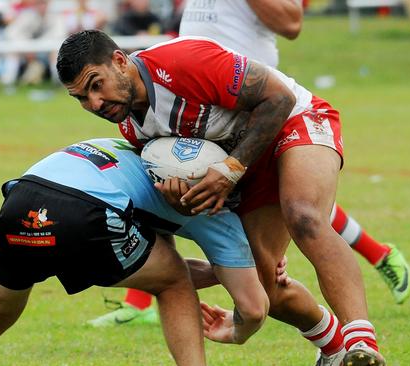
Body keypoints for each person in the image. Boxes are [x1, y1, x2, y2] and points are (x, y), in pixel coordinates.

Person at [57, 30, 387, 365]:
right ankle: (335, 349)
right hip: (246, 166)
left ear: (119, 61)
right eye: (81, 98)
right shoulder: (133, 128)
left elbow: (279, 99)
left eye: (96, 84)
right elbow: (200, 178)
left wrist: (231, 168)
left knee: (303, 215)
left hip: (294, 120)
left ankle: (362, 341)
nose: (94, 103)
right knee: (265, 285)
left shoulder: (181, 62)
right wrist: (181, 198)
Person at [96, 0, 410, 328]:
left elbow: (292, 23)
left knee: (303, 208)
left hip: (253, 97)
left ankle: (369, 291)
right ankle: (345, 319)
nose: (92, 103)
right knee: (177, 180)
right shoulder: (137, 107)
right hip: (194, 108)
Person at [0, 138, 207, 365]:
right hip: (81, 211)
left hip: (19, 201)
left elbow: (150, 255)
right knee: (173, 280)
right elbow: (162, 266)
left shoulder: (120, 146)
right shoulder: (172, 180)